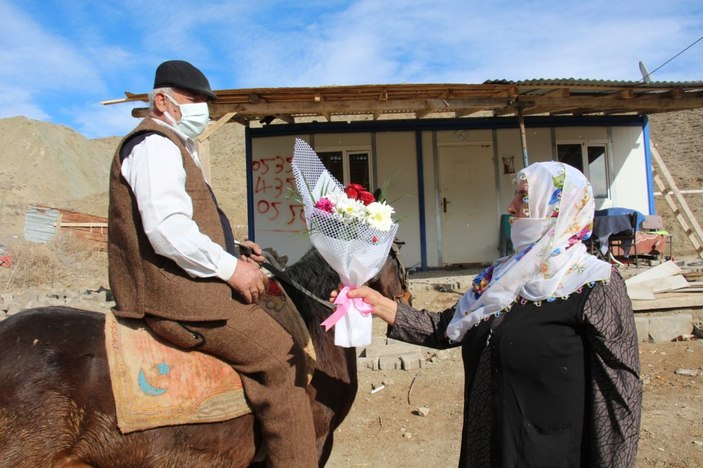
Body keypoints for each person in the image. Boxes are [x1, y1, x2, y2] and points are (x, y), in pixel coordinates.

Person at [338, 161, 642, 467]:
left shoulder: (594, 284)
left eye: (523, 197)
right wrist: (378, 303)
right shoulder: (500, 276)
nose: (510, 207)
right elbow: (448, 327)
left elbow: (620, 399)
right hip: (487, 450)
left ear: (556, 206)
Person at [108, 59, 317, 467]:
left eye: (206, 101)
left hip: (184, 284)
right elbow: (167, 229)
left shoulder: (175, 145)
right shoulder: (154, 146)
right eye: (193, 100)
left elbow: (190, 222)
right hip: (174, 298)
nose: (202, 108)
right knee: (283, 358)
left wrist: (233, 248)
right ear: (163, 101)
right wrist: (231, 270)